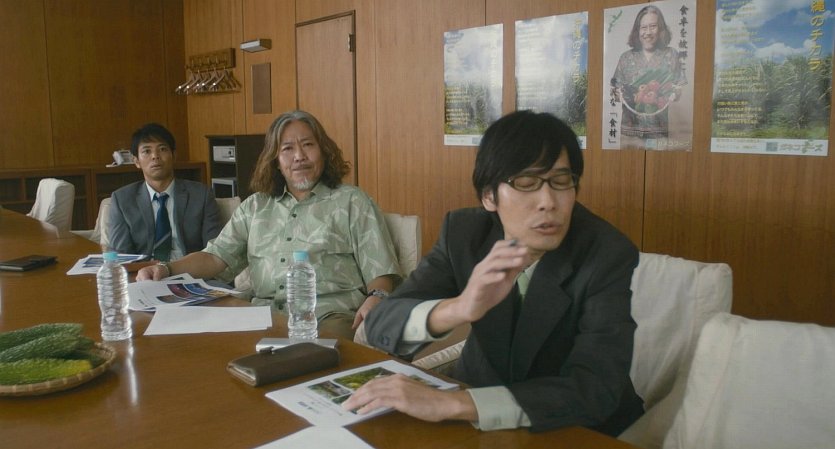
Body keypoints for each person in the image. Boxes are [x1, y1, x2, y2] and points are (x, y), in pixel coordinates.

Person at [344, 110, 643, 435]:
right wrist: (459, 308)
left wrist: (454, 404)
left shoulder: (606, 252)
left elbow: (595, 388)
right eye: (526, 183)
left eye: (561, 181)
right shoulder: (464, 234)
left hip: (571, 425)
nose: (548, 201)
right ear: (489, 196)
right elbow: (381, 324)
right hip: (479, 401)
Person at [137, 110, 401, 340]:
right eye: (287, 149)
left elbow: (381, 269)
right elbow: (215, 257)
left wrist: (377, 297)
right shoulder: (256, 206)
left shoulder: (352, 201)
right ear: (275, 160)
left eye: (308, 145)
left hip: (327, 316)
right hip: (262, 316)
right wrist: (165, 268)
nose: (299, 156)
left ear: (324, 151)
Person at [109, 123, 221, 261]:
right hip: (145, 271)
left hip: (189, 269)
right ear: (136, 161)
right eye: (147, 151)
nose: (155, 156)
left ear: (174, 155)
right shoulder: (122, 200)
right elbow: (122, 256)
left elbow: (214, 251)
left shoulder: (201, 195)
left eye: (162, 149)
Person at [611, 5, 686, 149]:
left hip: (658, 132)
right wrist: (618, 94)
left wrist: (675, 93)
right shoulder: (626, 57)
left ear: (661, 29)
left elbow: (678, 88)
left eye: (653, 26)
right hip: (630, 133)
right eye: (643, 27)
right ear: (637, 30)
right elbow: (614, 91)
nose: (648, 32)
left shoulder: (671, 54)